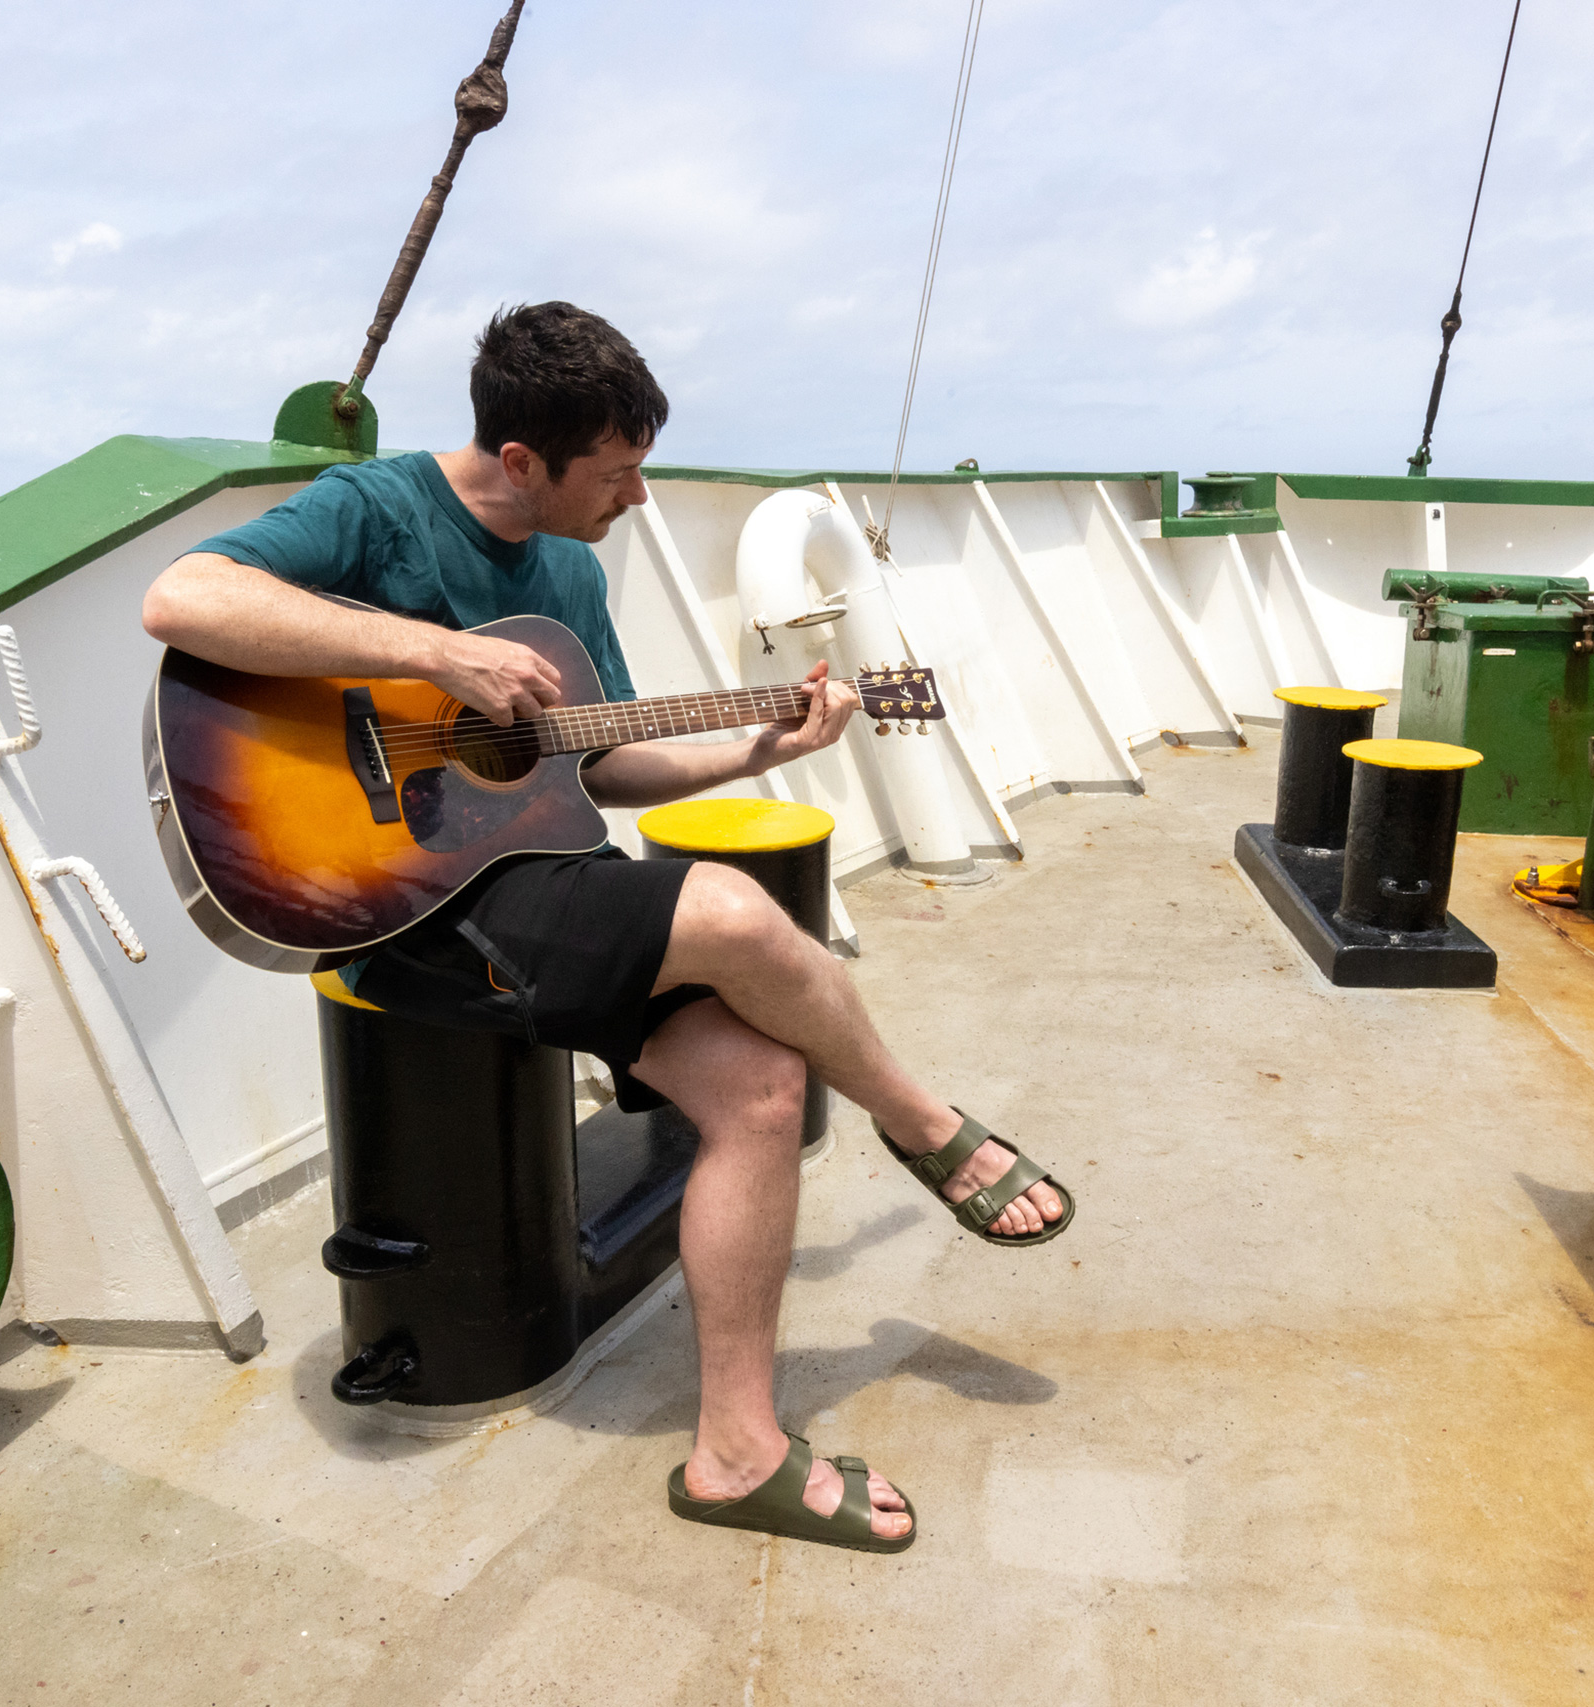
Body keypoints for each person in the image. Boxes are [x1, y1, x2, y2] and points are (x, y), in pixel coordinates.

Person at [140, 301, 1071, 1552]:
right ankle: (924, 1126)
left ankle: (735, 1455)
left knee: (760, 1087)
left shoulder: (570, 574)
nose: (637, 498)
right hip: (407, 910)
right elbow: (183, 598)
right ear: (522, 459)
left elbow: (599, 763)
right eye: (617, 474)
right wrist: (436, 655)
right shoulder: (376, 507)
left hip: (540, 880)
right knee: (729, 908)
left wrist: (760, 747)